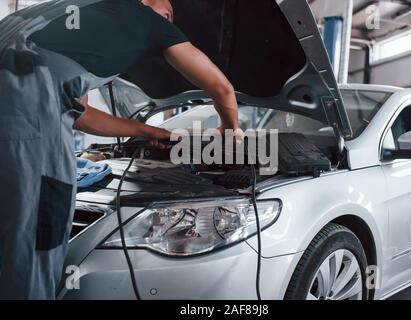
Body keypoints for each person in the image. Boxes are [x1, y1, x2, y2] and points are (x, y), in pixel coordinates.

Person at [0, 0, 240, 299]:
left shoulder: (61, 14)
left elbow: (80, 114)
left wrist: (147, 130)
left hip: (19, 116)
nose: (171, 17)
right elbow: (221, 88)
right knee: (35, 238)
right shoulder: (148, 20)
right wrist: (230, 131)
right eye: (169, 11)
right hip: (26, 125)